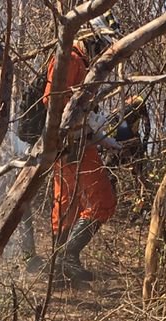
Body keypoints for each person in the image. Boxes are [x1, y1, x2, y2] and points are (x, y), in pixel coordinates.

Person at [34, 20, 123, 283]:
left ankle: (58, 268)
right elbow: (54, 101)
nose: (104, 52)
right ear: (92, 38)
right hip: (72, 143)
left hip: (67, 144)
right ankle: (67, 257)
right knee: (103, 202)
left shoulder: (75, 59)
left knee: (66, 205)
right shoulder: (72, 59)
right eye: (103, 45)